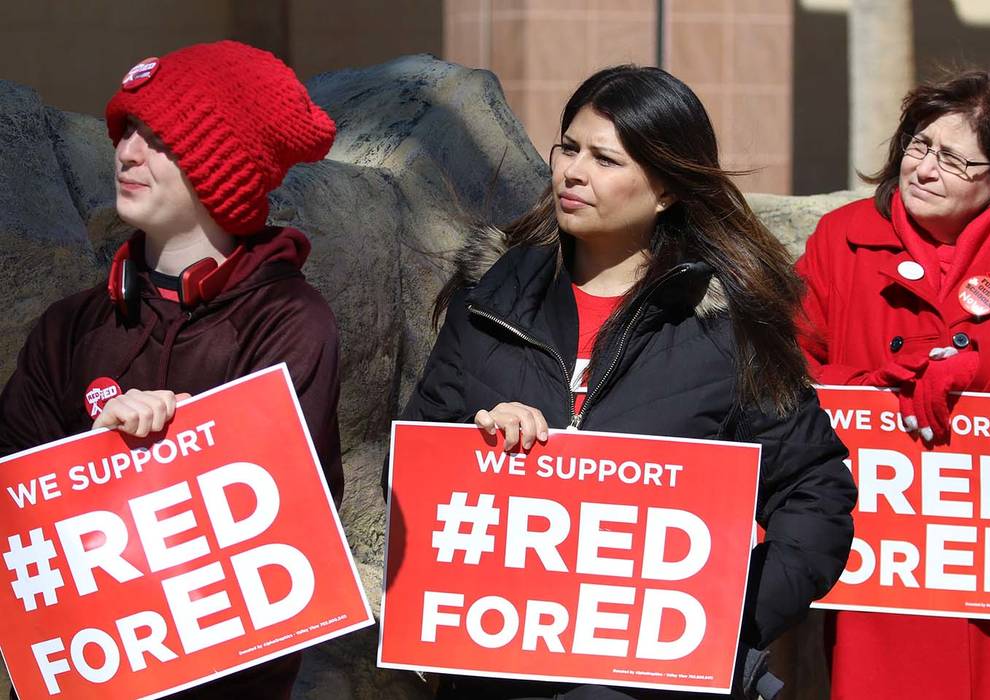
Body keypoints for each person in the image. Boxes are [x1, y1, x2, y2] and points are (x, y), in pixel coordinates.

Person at [400, 65, 857, 699]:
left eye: (605, 159)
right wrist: (474, 442)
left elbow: (816, 493)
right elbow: (416, 463)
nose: (573, 172)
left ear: (667, 189)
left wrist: (725, 618)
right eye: (568, 147)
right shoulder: (489, 298)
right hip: (494, 671)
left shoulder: (729, 326)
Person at [0, 40, 342, 698]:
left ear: (224, 168)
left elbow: (281, 529)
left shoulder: (289, 321)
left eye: (157, 138)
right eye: (127, 130)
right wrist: (93, 455)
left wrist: (172, 451)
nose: (126, 152)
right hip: (78, 673)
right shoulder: (71, 324)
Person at [796, 67, 990, 699]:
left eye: (955, 161)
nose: (925, 170)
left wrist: (988, 370)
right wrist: (871, 385)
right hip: (884, 553)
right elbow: (783, 367)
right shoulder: (843, 238)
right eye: (919, 145)